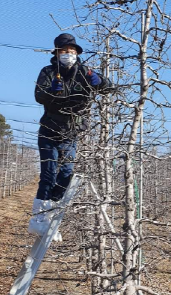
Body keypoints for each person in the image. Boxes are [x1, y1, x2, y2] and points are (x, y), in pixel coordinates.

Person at [28, 33, 111, 236]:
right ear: (57, 53)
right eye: (65, 51)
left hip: (71, 132)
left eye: (72, 51)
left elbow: (108, 88)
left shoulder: (84, 72)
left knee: (66, 174)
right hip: (49, 130)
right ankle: (38, 218)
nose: (68, 55)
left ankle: (51, 214)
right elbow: (39, 96)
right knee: (48, 174)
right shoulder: (48, 72)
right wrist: (51, 93)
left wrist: (99, 81)